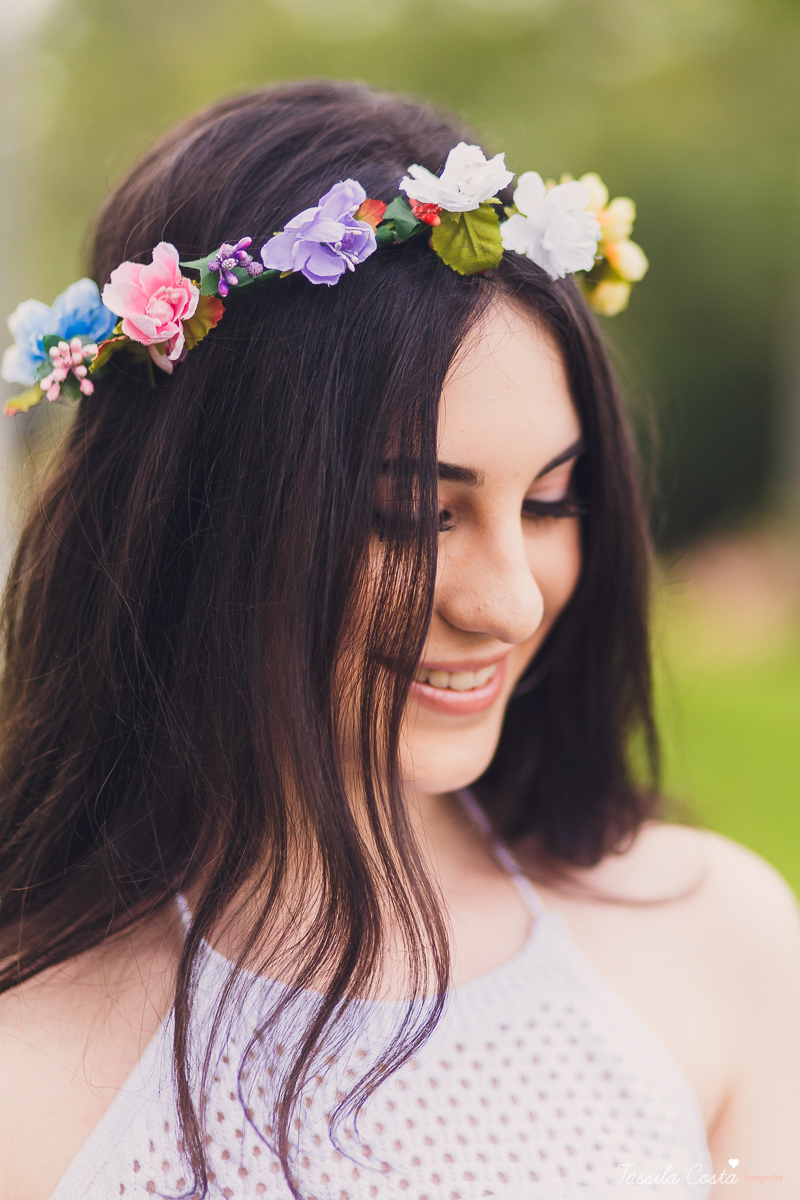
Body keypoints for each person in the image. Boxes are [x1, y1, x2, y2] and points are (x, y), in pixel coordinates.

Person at [0, 80, 797, 1200]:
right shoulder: (29, 1056)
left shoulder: (716, 942)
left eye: (551, 503)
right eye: (416, 513)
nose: (508, 603)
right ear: (198, 505)